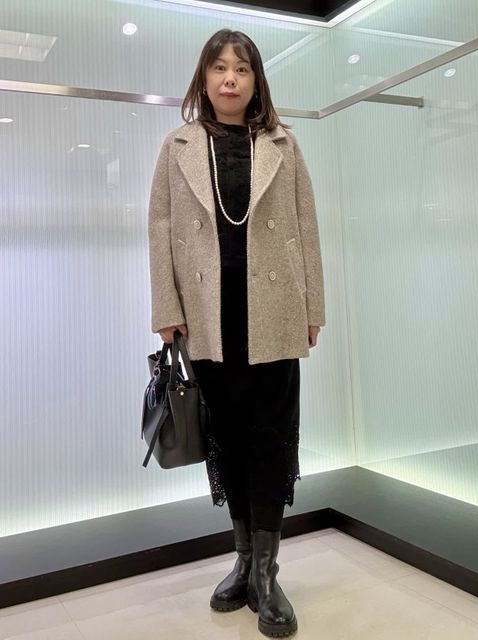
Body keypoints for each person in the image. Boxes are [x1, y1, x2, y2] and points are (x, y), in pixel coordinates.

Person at [148, 28, 325, 639]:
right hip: (208, 319)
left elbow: (307, 225)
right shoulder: (177, 145)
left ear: (256, 81)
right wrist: (166, 306)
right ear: (204, 78)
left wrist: (313, 307)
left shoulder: (283, 144)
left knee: (270, 440)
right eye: (220, 68)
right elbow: (160, 229)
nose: (230, 78)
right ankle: (244, 561)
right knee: (226, 440)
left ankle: (268, 574)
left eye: (242, 69)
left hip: (273, 313)